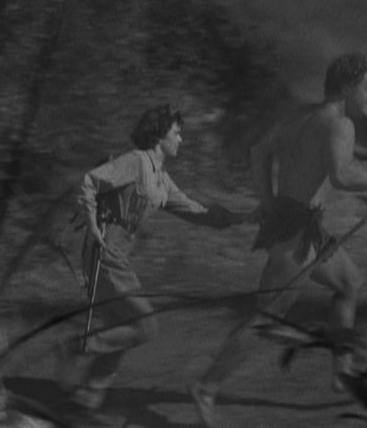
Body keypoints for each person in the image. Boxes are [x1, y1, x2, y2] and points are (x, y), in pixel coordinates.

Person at [191, 53, 367, 426]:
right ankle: (206, 387)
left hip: (300, 225)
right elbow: (343, 176)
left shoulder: (303, 116)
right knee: (266, 319)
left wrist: (269, 203)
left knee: (349, 283)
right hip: (295, 234)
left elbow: (259, 152)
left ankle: (342, 372)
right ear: (345, 88)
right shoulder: (341, 124)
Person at [60, 103, 243, 409]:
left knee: (124, 325)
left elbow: (193, 209)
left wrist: (239, 218)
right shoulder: (135, 162)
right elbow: (90, 181)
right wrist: (91, 221)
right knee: (144, 325)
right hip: (105, 250)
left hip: (119, 254)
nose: (180, 139)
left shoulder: (160, 177)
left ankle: (89, 394)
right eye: (176, 133)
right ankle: (76, 347)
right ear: (159, 136)